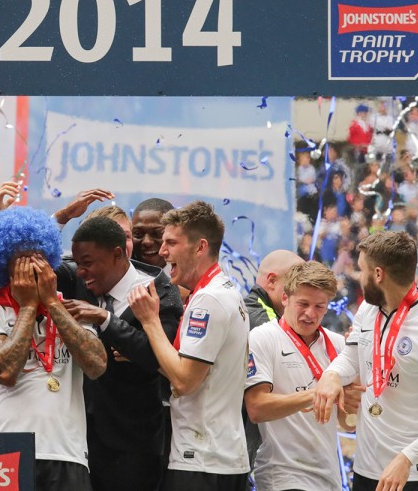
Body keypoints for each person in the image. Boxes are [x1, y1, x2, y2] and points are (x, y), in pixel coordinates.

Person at [0, 207, 107, 489]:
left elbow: (97, 365)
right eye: (21, 261)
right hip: (6, 456)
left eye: (39, 258)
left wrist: (52, 304)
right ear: (3, 265)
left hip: (69, 454)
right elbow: (5, 371)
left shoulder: (69, 309)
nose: (32, 268)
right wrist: (28, 306)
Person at [127, 200, 250, 491]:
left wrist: (150, 322)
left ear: (200, 247)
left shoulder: (208, 300)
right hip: (222, 455)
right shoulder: (224, 290)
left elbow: (184, 380)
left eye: (171, 242)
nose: (161, 251)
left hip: (201, 459)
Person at [58, 216, 183, 491]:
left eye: (87, 263)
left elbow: (156, 357)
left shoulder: (159, 290)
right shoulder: (76, 279)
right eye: (78, 263)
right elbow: (34, 266)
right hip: (75, 440)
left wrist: (106, 320)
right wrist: (61, 218)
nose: (80, 271)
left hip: (132, 443)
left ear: (117, 254)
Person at [314, 231, 418, 491]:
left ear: (379, 274)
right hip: (366, 466)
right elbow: (351, 356)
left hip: (409, 472)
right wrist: (332, 375)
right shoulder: (368, 308)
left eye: (362, 271)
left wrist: (409, 458)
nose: (359, 278)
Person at [245, 261, 352, 491]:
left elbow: (348, 423)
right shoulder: (263, 338)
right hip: (281, 476)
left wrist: (352, 400)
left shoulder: (338, 344)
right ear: (285, 299)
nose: (310, 314)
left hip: (328, 477)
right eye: (302, 304)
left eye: (319, 306)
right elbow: (256, 408)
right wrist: (317, 394)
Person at [246, 250, 305, 329]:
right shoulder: (265, 321)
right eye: (297, 282)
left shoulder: (252, 309)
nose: (303, 291)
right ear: (272, 281)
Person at [131, 198, 175, 269]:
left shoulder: (191, 275)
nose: (147, 242)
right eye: (138, 234)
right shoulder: (118, 275)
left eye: (157, 233)